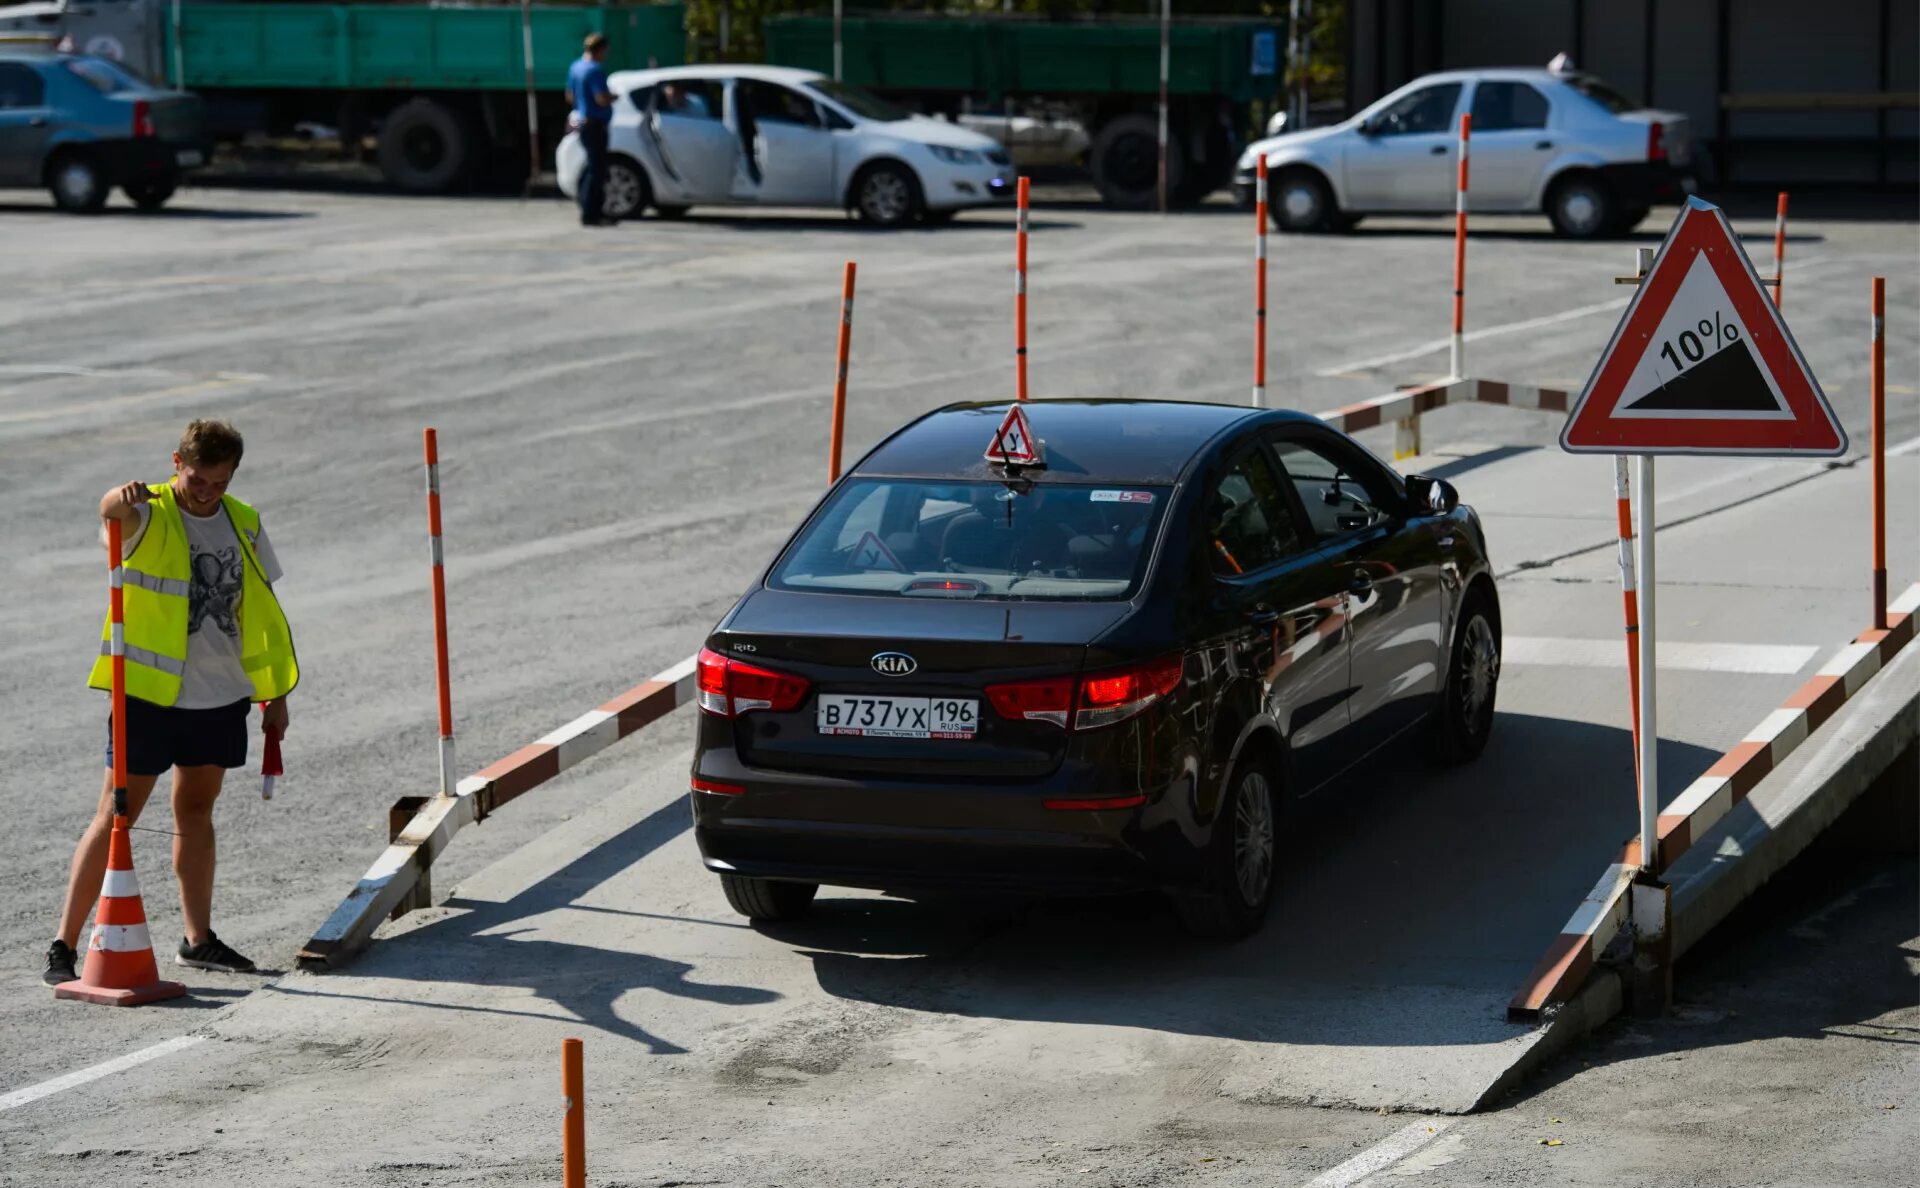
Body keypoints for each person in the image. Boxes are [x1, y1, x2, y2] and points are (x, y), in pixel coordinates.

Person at [43, 419, 298, 986]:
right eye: (197, 477)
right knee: (116, 816)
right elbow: (110, 513)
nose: (206, 490)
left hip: (220, 695)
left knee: (196, 814)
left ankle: (197, 939)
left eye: (219, 481)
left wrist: (275, 695)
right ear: (176, 461)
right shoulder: (150, 512)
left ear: (232, 475)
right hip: (149, 697)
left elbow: (261, 611)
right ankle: (62, 944)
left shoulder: (245, 522)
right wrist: (118, 494)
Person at [566, 33, 616, 226]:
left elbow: (570, 96)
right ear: (600, 50)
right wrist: (613, 97)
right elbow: (601, 98)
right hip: (595, 123)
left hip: (581, 122)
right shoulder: (595, 70)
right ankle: (591, 214)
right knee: (597, 170)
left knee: (593, 168)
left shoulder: (576, 67)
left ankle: (590, 212)